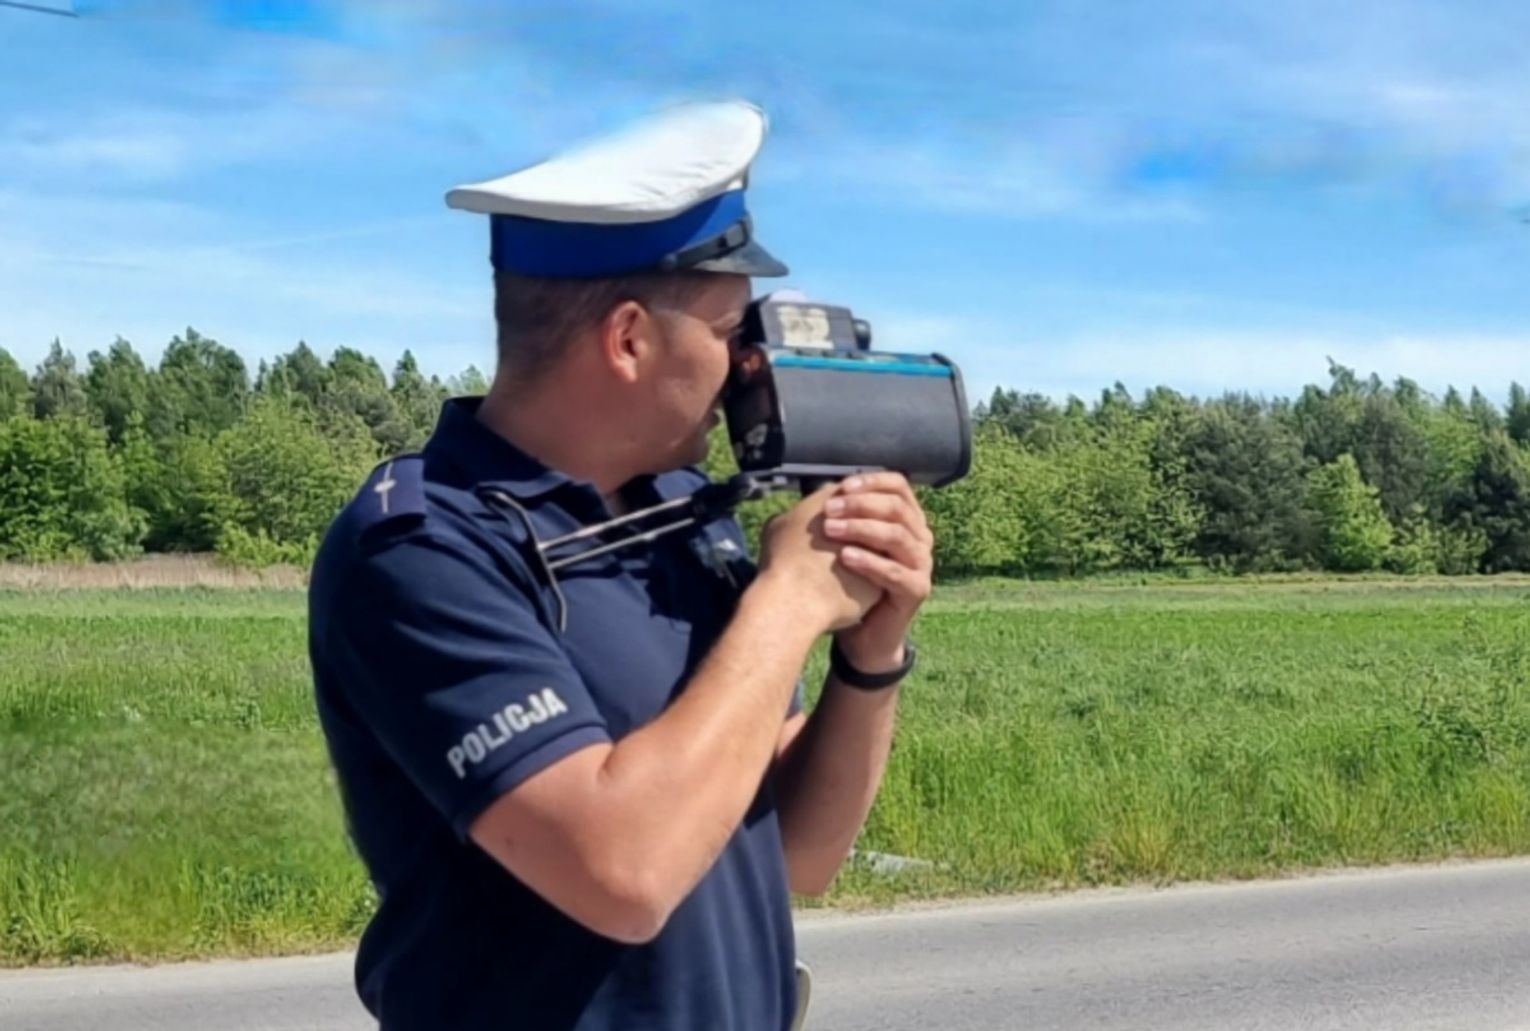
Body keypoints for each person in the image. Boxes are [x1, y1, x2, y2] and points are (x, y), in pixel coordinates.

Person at [307, 99, 935, 1030]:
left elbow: (798, 852)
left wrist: (869, 656)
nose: (747, 369)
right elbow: (623, 873)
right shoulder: (423, 548)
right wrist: (785, 605)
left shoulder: (683, 514)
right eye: (729, 332)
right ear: (630, 338)